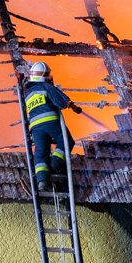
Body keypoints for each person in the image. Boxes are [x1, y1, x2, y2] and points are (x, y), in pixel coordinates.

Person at [24, 61, 83, 192]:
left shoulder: (27, 95)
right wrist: (72, 106)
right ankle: (54, 164)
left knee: (40, 152)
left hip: (35, 128)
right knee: (67, 141)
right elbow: (60, 100)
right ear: (44, 76)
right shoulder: (45, 86)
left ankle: (42, 181)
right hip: (50, 122)